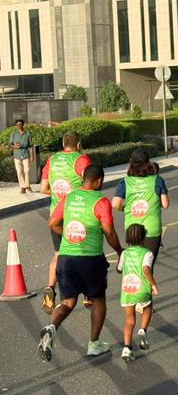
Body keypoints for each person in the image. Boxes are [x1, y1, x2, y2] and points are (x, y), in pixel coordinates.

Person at [38, 164, 123, 361]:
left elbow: (52, 223)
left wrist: (69, 237)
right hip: (91, 259)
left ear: (84, 179)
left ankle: (51, 328)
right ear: (99, 181)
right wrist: (120, 250)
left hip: (66, 258)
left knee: (67, 303)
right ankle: (94, 344)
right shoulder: (101, 201)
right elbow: (109, 232)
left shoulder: (69, 197)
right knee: (98, 300)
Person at [39, 131, 91, 314]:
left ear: (62, 144)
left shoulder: (52, 160)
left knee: (58, 254)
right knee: (85, 253)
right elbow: (90, 184)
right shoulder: (81, 160)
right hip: (76, 214)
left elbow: (43, 188)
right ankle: (88, 294)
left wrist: (59, 194)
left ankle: (50, 289)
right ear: (78, 145)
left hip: (56, 215)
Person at [112, 149, 169, 267]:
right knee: (147, 265)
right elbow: (165, 204)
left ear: (131, 163)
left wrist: (124, 209)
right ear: (148, 163)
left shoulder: (125, 182)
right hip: (152, 229)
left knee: (135, 263)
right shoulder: (157, 180)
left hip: (132, 229)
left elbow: (115, 204)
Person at [117, 224, 159, 362]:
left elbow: (119, 269)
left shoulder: (124, 253)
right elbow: (146, 269)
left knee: (129, 320)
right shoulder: (147, 253)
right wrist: (153, 284)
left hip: (128, 290)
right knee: (147, 307)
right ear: (143, 238)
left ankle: (127, 348)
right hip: (142, 289)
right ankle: (143, 330)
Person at [9, 119, 33, 194]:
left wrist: (32, 156)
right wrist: (15, 146)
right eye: (17, 124)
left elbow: (30, 146)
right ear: (16, 125)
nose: (19, 125)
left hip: (25, 154)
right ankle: (23, 187)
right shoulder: (13, 134)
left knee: (27, 170)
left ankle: (27, 185)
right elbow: (10, 144)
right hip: (17, 154)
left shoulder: (28, 133)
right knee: (19, 171)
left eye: (20, 124)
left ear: (23, 125)